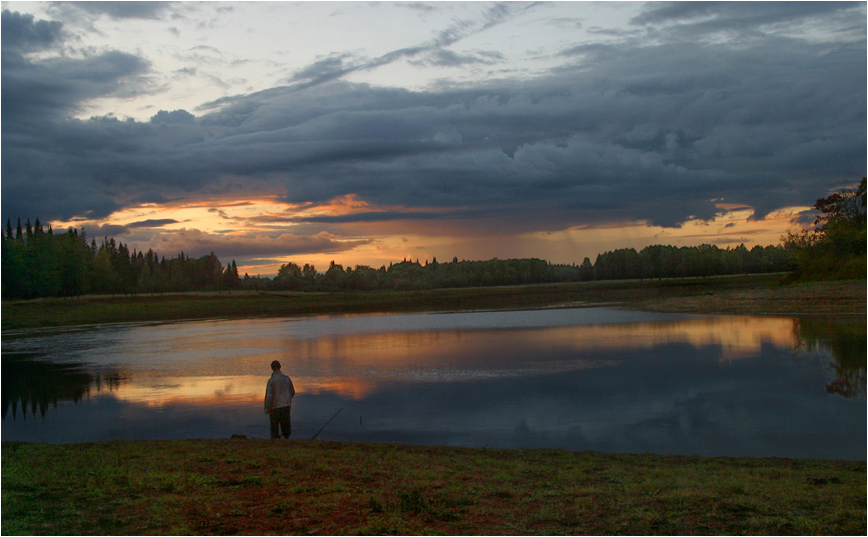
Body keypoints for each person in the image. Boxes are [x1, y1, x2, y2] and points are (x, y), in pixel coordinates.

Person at [264, 360, 295, 439]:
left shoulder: (271, 381)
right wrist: (287, 400)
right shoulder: (287, 378)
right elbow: (292, 392)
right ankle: (286, 439)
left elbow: (269, 396)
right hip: (286, 405)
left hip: (275, 407)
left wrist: (267, 408)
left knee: (274, 428)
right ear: (280, 367)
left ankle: (275, 441)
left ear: (272, 368)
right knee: (286, 426)